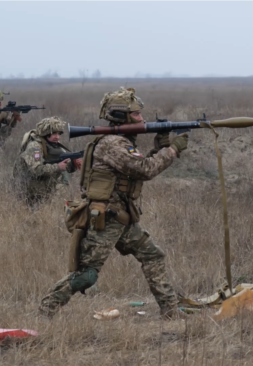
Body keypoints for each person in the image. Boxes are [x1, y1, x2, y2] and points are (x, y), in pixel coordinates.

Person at [38, 87, 189, 320]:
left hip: (121, 217)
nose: (142, 118)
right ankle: (46, 310)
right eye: (137, 114)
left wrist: (161, 145)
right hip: (107, 219)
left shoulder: (120, 142)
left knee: (153, 255)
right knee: (87, 275)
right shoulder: (113, 144)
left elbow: (137, 167)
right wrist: (173, 150)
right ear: (122, 116)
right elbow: (145, 169)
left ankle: (170, 312)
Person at [13, 116, 83, 207]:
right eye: (54, 133)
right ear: (46, 133)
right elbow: (36, 170)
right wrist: (57, 167)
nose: (57, 137)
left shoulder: (54, 146)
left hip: (44, 191)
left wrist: (73, 164)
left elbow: (65, 167)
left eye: (59, 134)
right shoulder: (35, 147)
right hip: (29, 192)